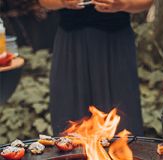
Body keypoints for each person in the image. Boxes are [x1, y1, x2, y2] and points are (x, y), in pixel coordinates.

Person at [39, 0, 153, 135]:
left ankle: (122, 155)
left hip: (115, 45)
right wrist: (63, 2)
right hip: (71, 46)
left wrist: (123, 4)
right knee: (69, 120)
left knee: (122, 122)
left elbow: (146, 2)